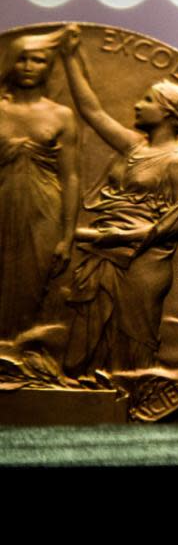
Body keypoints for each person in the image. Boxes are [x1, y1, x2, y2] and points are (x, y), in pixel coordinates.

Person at [57, 26, 178, 376]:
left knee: (133, 339)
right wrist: (69, 59)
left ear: (168, 113)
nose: (137, 105)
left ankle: (128, 404)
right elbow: (91, 112)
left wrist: (123, 237)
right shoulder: (133, 147)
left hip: (143, 265)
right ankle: (87, 394)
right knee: (89, 330)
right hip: (104, 255)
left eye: (147, 101)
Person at [0, 27, 79, 340]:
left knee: (34, 287)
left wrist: (68, 235)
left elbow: (71, 176)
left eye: (38, 60)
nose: (29, 66)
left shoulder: (61, 115)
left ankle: (21, 355)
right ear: (11, 63)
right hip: (3, 204)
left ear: (49, 67)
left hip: (45, 211)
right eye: (22, 60)